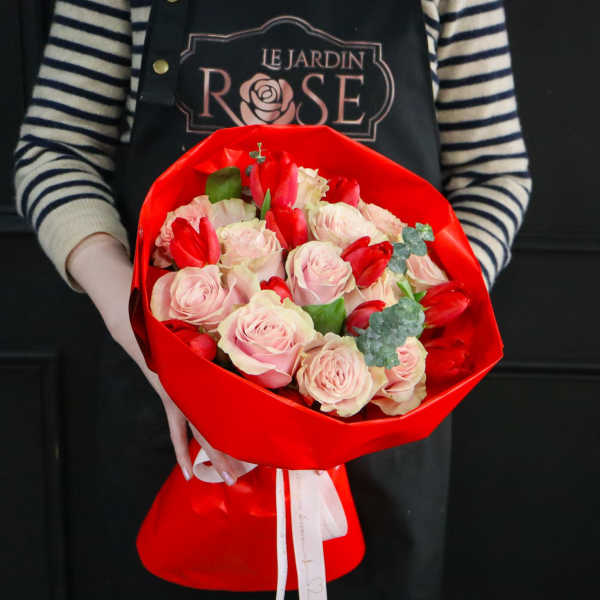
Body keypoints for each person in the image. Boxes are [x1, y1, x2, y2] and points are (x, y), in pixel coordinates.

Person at [14, 1, 531, 598]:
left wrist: (409, 313)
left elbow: (495, 174)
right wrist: (140, 333)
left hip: (378, 419)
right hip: (166, 398)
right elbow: (56, 151)